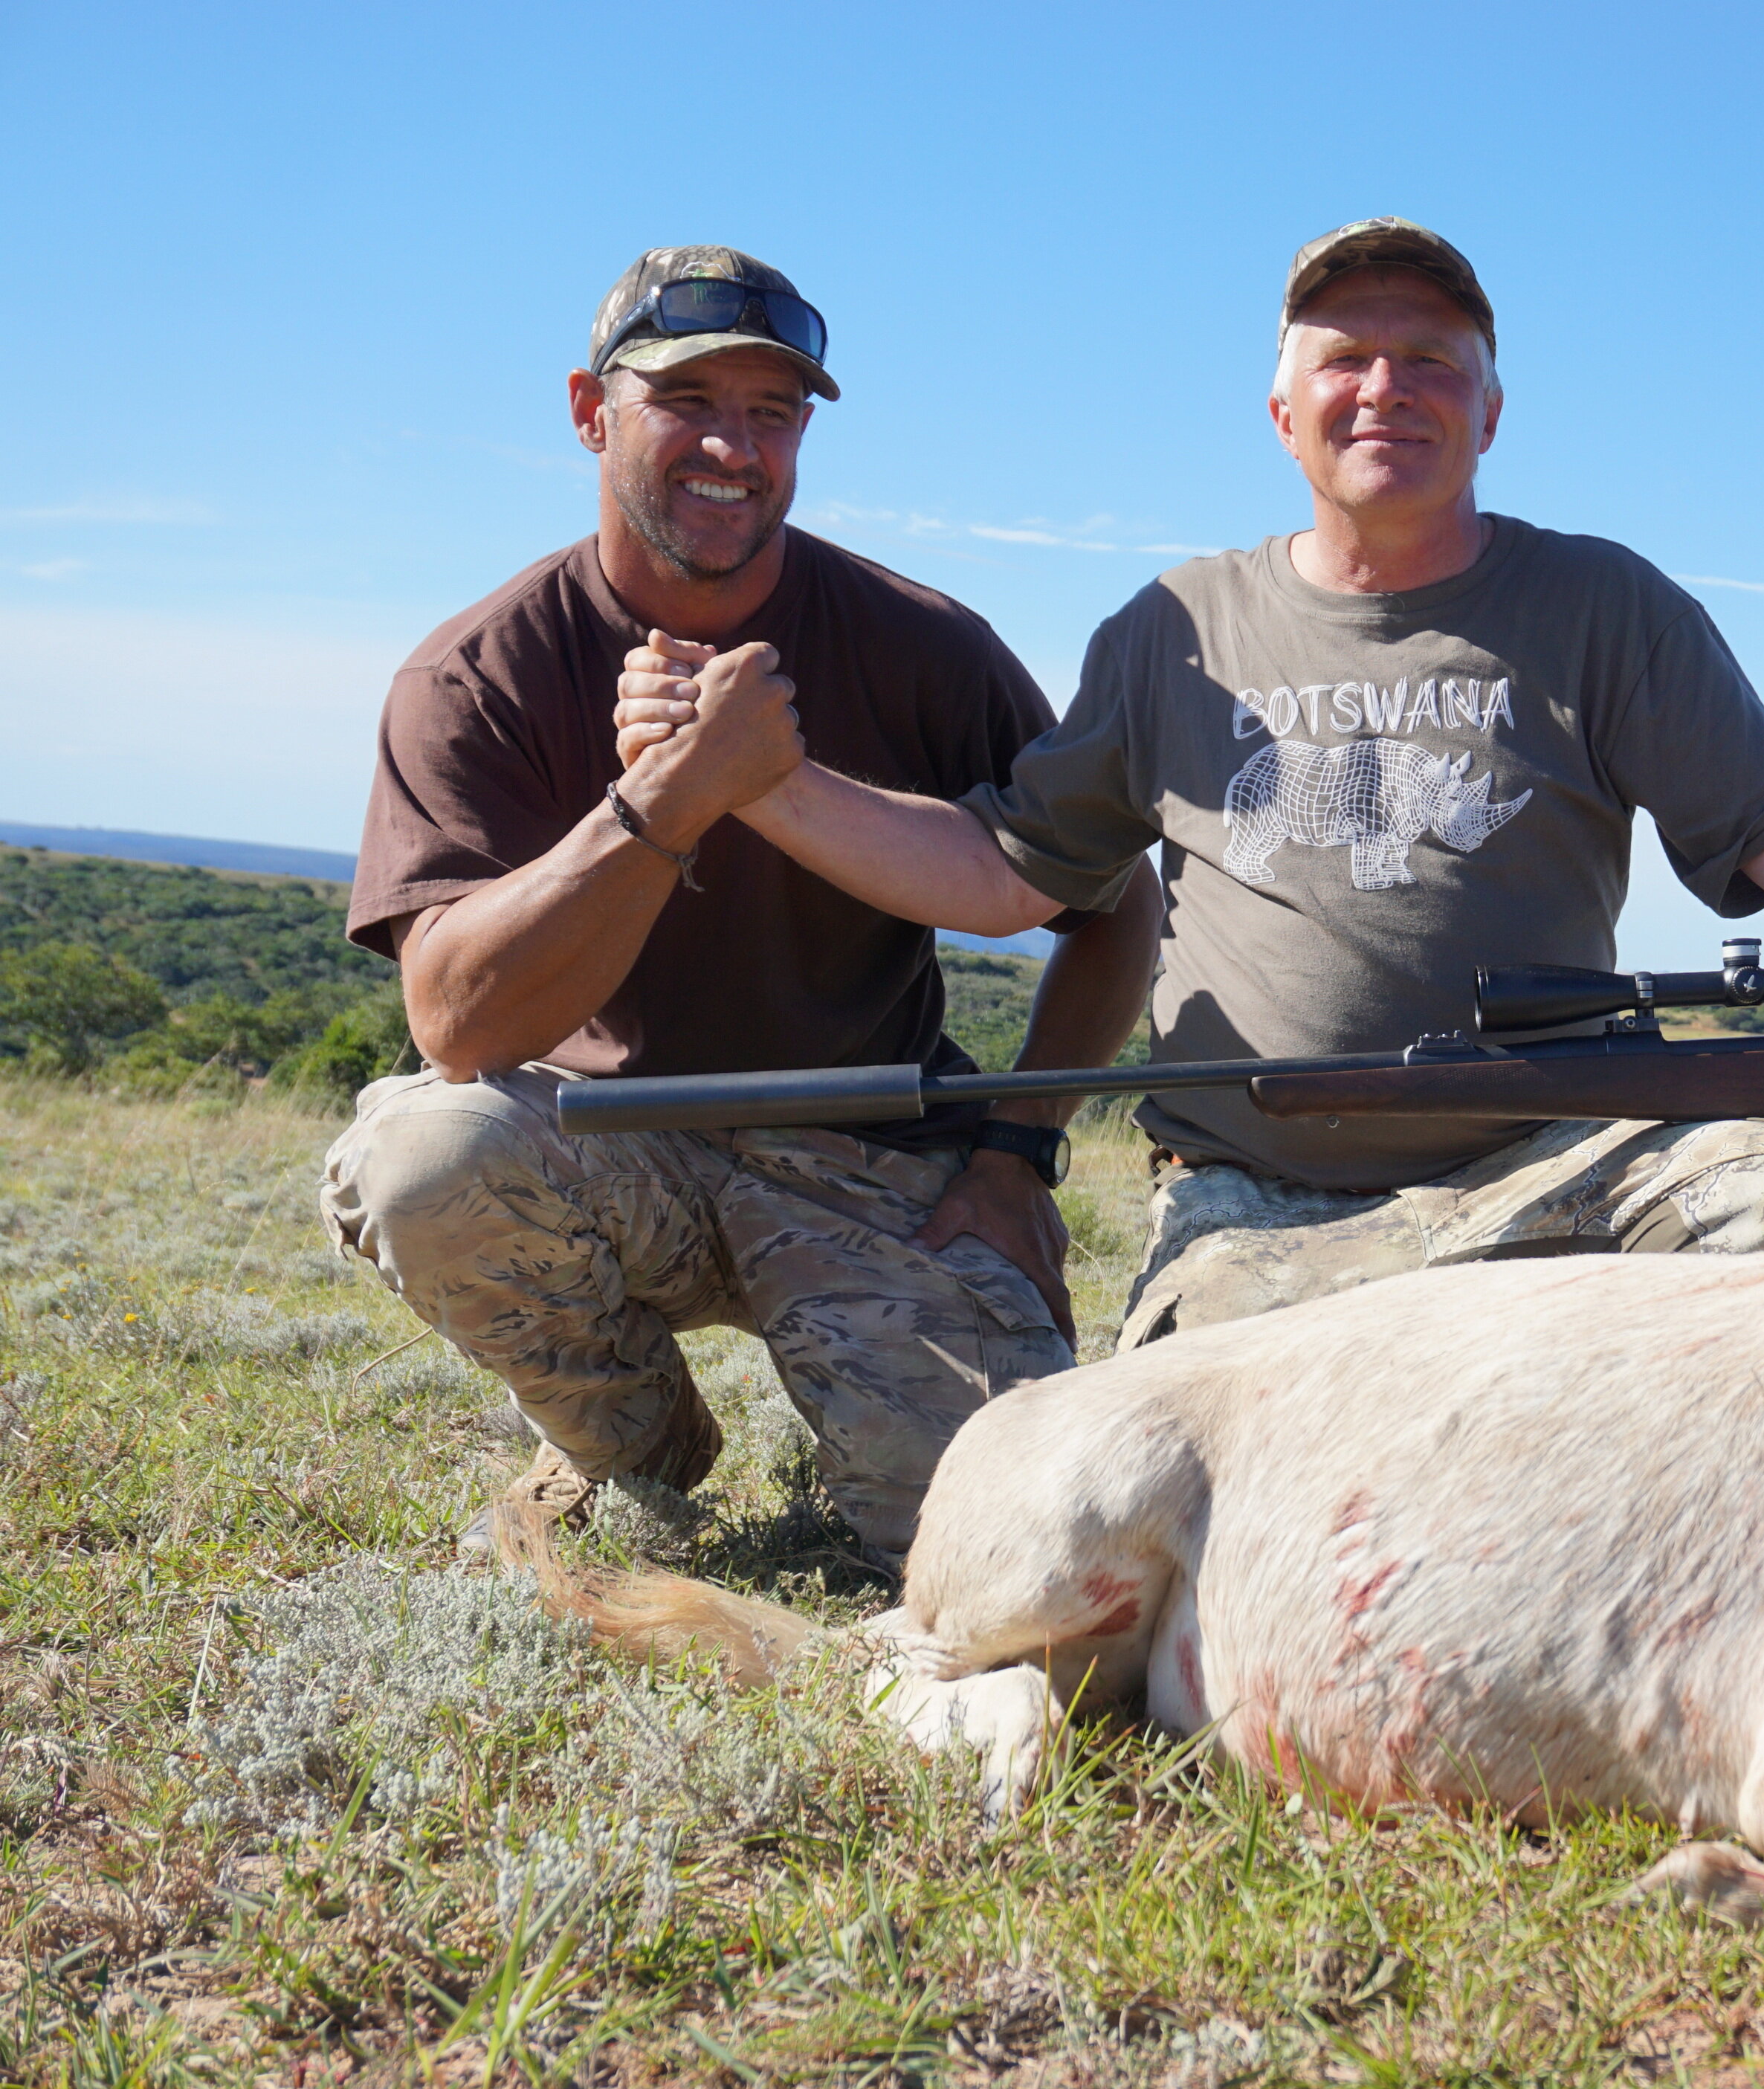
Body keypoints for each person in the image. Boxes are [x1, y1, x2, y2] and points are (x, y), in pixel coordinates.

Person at [612, 219, 1764, 1346]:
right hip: (1261, 1198)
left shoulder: (1602, 608)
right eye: (1347, 356)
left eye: (1432, 360)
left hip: (1584, 1150)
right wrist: (754, 785)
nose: (1386, 388)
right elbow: (1003, 878)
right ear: (1281, 408)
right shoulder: (1168, 630)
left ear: (1494, 411)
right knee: (1211, 1472)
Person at [320, 245, 1162, 1566]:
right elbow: (454, 1026)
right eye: (688, 400)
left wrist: (1018, 1151)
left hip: (871, 1152)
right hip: (603, 1141)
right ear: (592, 413)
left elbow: (1116, 908)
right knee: (422, 1160)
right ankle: (633, 1449)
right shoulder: (472, 677)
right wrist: (661, 804)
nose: (735, 444)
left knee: (1002, 1544)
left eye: (774, 412)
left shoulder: (927, 646)